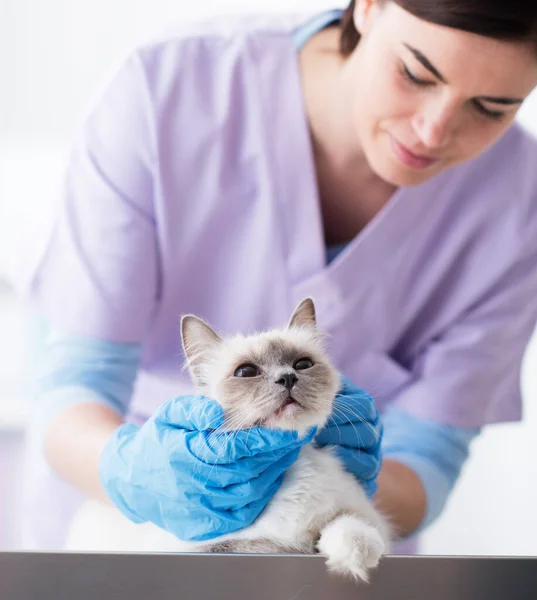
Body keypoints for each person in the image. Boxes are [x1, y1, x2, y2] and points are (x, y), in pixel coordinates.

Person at [12, 0, 537, 554]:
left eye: (491, 107)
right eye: (414, 72)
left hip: (333, 558)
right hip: (129, 537)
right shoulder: (167, 89)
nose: (433, 130)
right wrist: (140, 473)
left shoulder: (517, 204)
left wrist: (336, 489)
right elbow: (75, 386)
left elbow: (429, 454)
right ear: (370, 7)